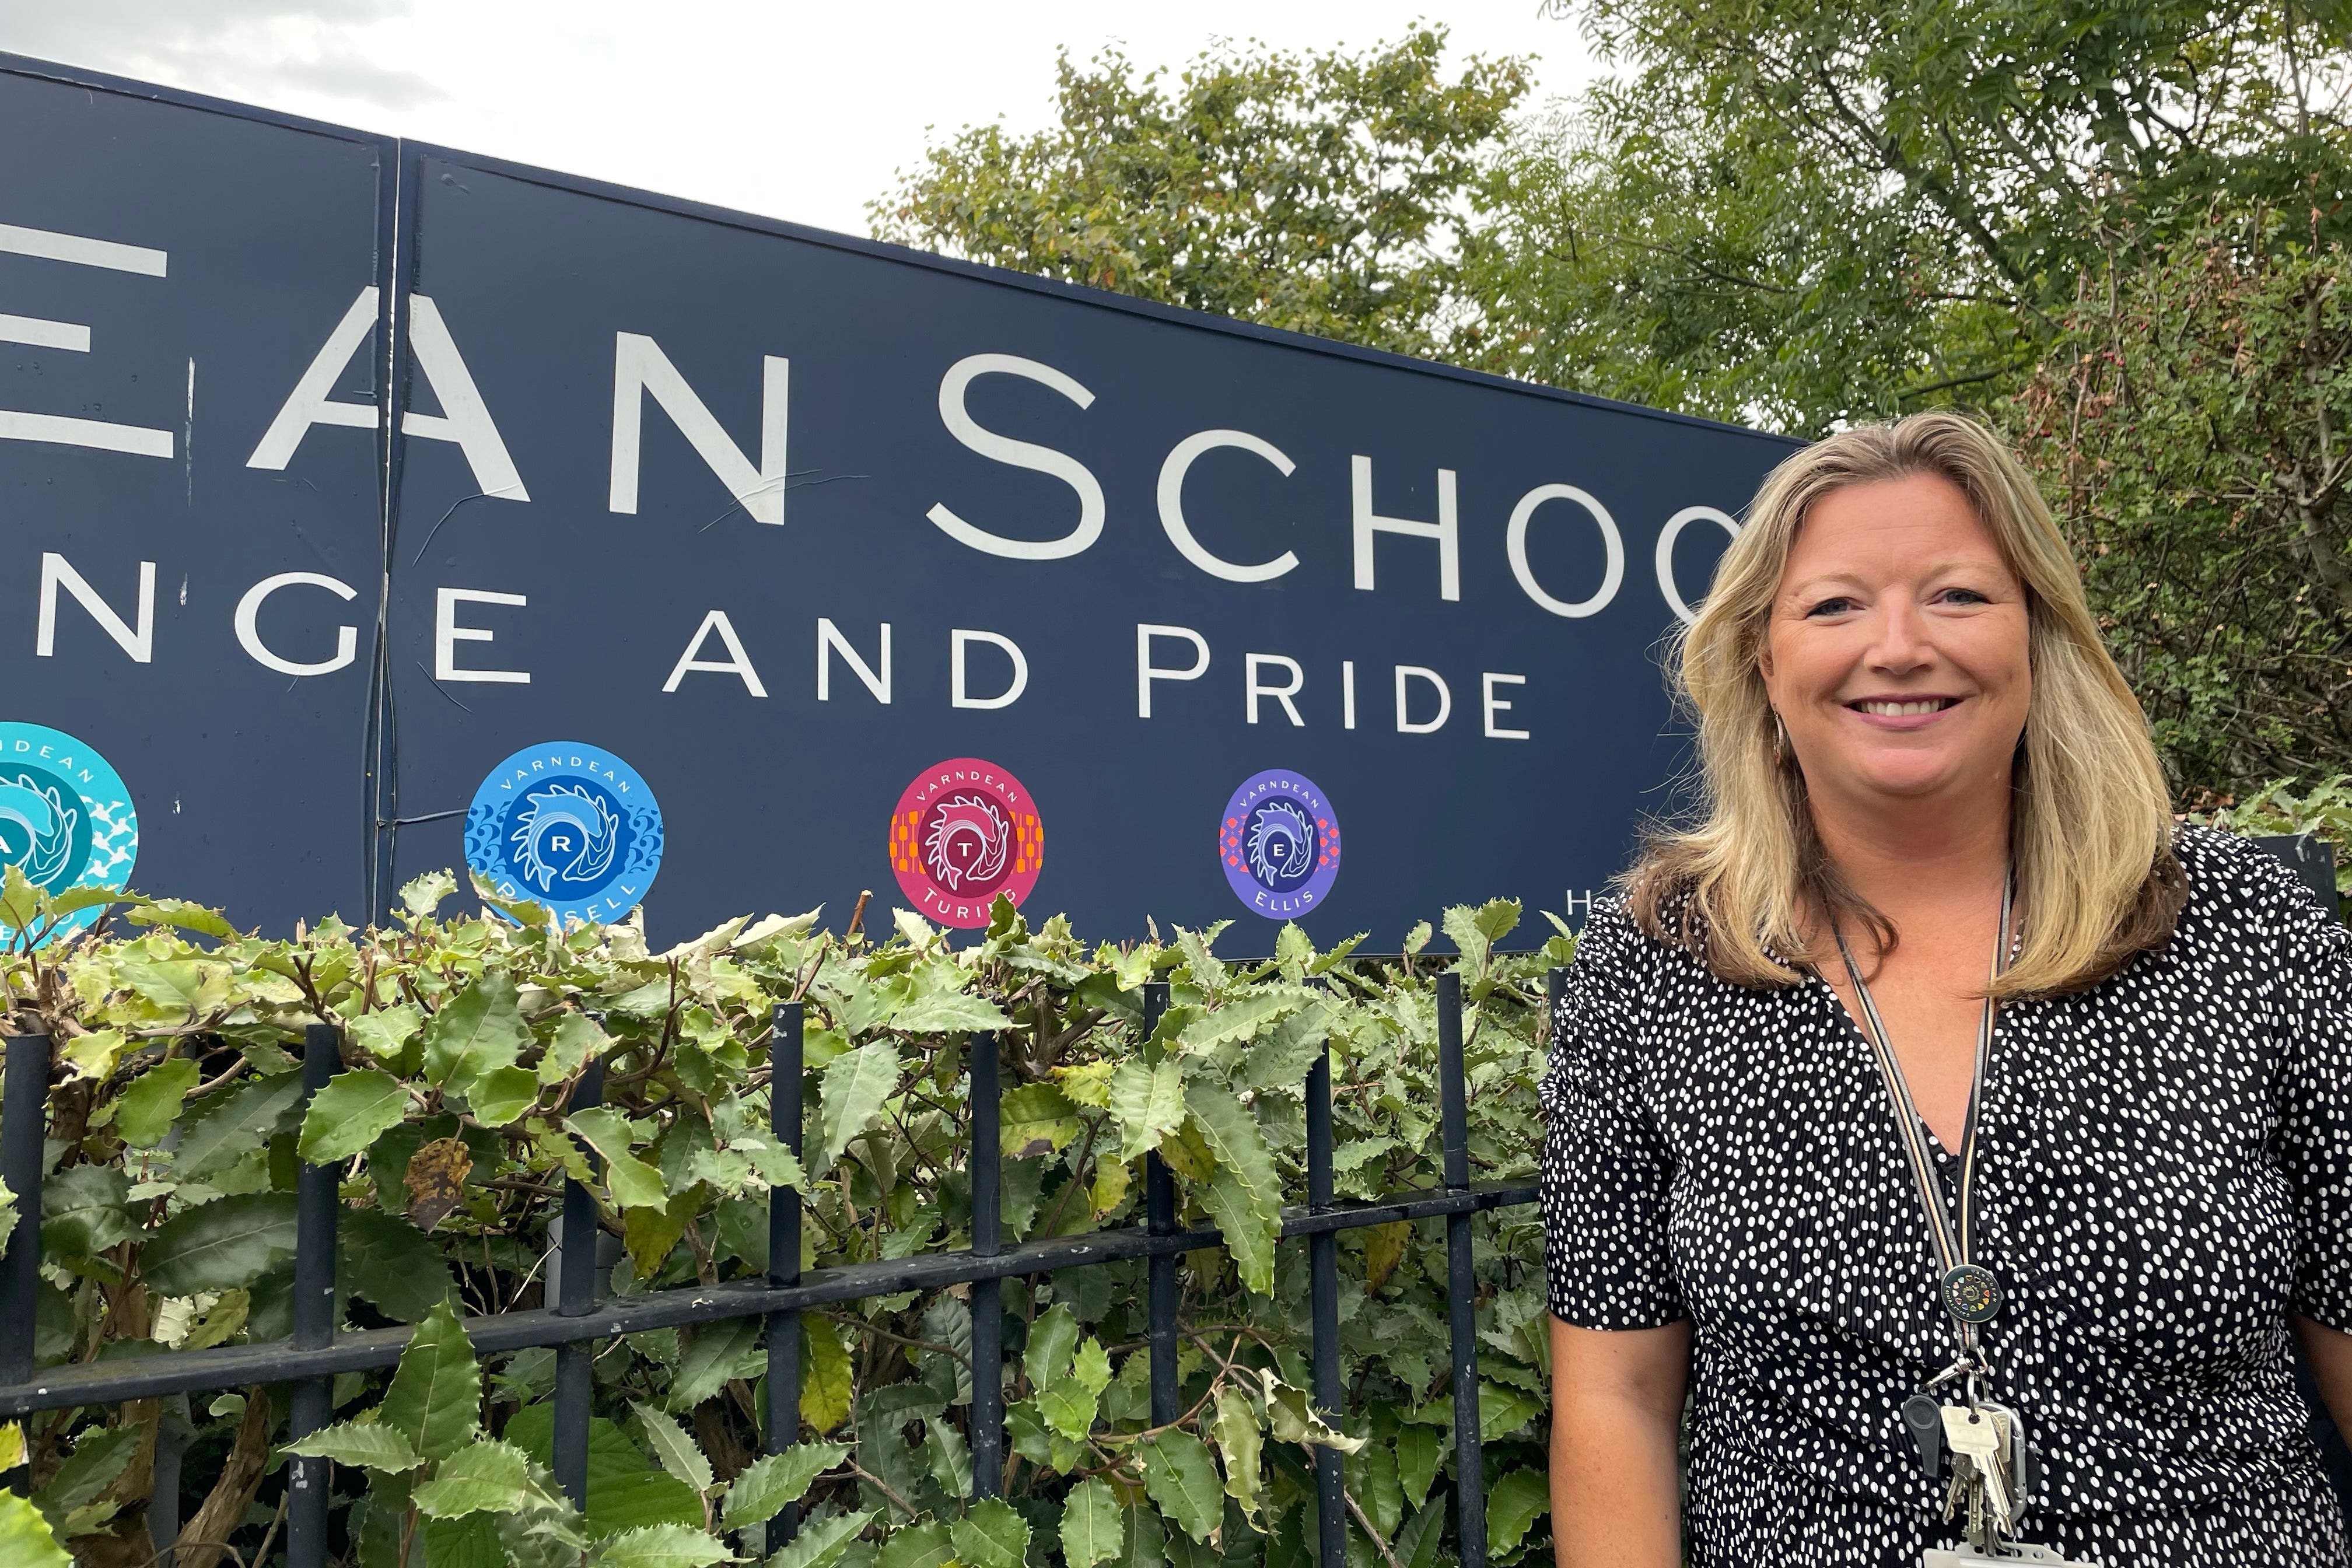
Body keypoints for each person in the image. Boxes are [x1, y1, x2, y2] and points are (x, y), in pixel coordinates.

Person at [1540, 410, 2352, 1566]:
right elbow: (1615, 1395)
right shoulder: (1652, 961)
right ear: (1764, 662)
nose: (1902, 644)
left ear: (2038, 636)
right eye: (1833, 606)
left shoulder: (2243, 926)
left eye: (1960, 596)